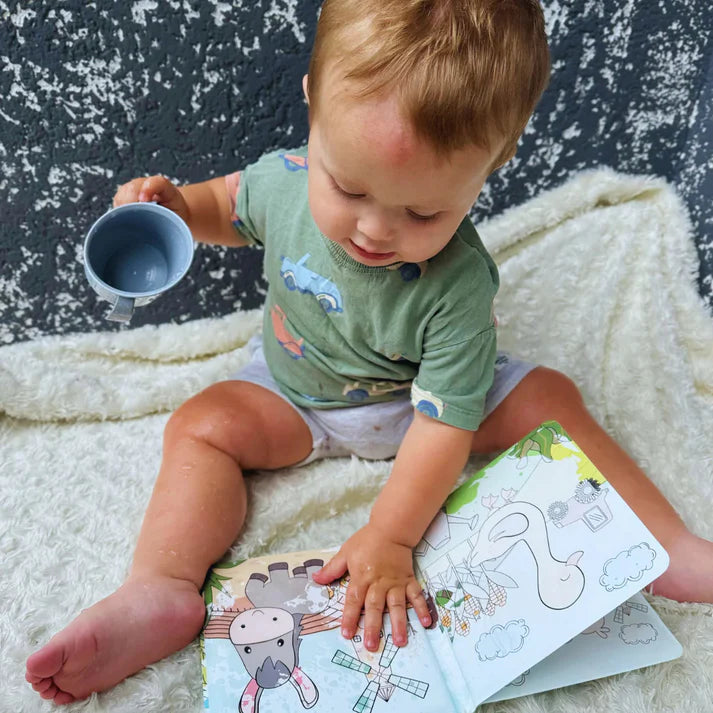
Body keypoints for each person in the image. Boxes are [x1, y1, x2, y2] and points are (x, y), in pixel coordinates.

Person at [26, 0, 713, 705]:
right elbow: (225, 208)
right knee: (199, 425)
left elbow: (445, 424)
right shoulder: (282, 180)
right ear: (313, 105)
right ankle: (159, 587)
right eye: (347, 187)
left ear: (496, 160)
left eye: (423, 212)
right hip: (295, 393)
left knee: (549, 398)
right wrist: (175, 209)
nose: (375, 230)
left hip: (421, 408)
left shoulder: (458, 286)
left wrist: (390, 535)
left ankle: (663, 545)